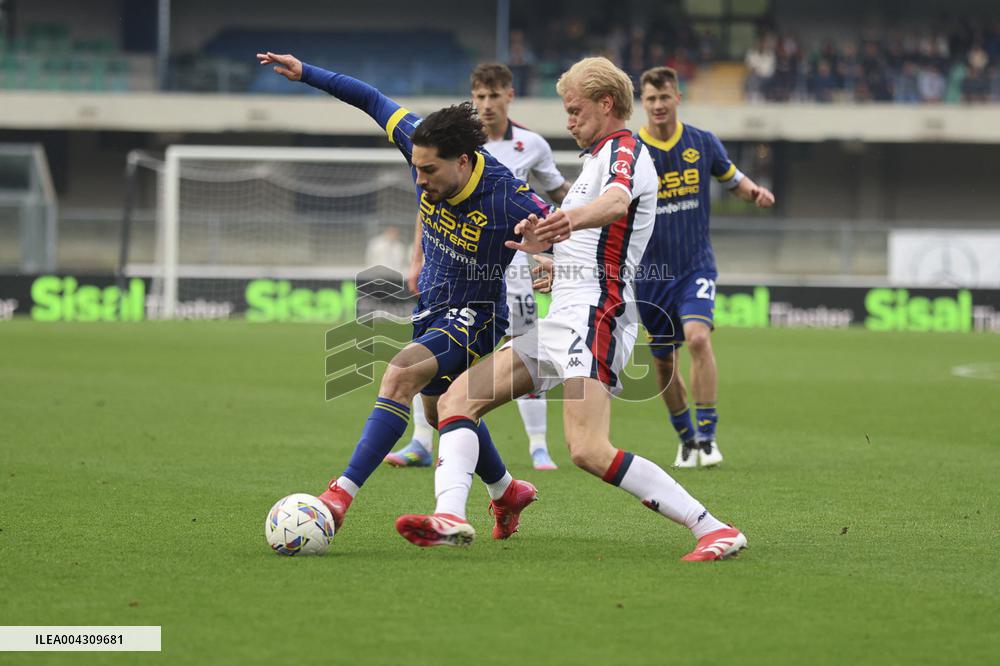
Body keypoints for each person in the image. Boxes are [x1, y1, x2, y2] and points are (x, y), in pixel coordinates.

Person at [394, 56, 747, 561]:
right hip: (565, 314)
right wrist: (558, 267)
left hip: (597, 315)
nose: (568, 120)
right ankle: (450, 516)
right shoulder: (594, 160)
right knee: (455, 401)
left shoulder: (624, 148)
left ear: (606, 105)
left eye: (575, 109)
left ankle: (712, 527)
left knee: (586, 449)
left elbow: (618, 202)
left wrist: (563, 224)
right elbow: (602, 241)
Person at [257, 51, 551, 541]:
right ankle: (506, 491)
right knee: (441, 413)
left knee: (400, 375)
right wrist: (306, 72)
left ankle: (339, 497)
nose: (419, 180)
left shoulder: (506, 194)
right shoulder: (419, 139)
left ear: (462, 162)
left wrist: (551, 259)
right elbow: (369, 97)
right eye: (415, 168)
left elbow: (565, 227)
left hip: (478, 314)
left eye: (429, 171)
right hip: (432, 308)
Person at [385, 62, 569, 471]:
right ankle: (421, 440)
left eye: (493, 95)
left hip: (519, 269)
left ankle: (538, 444)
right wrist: (417, 258)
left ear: (509, 96)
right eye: (479, 96)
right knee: (432, 354)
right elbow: (431, 205)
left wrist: (563, 242)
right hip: (457, 268)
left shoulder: (533, 145)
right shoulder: (450, 148)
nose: (485, 104)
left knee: (520, 357)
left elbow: (560, 199)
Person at [635, 66, 775, 469]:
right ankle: (686, 439)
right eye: (651, 99)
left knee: (698, 338)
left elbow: (733, 178)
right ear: (642, 103)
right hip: (650, 275)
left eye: (664, 97)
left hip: (695, 264)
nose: (658, 105)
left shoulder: (702, 142)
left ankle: (709, 435)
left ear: (677, 97)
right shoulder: (631, 150)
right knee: (663, 360)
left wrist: (754, 193)